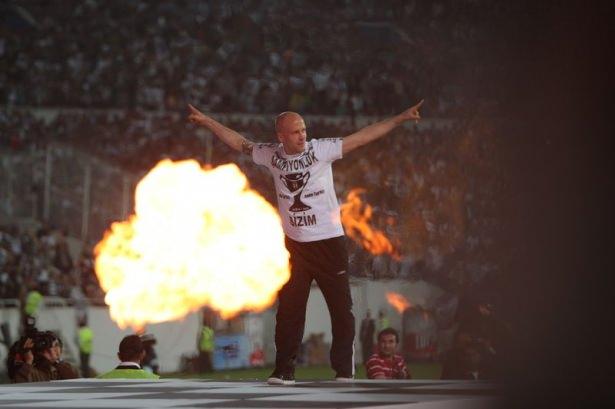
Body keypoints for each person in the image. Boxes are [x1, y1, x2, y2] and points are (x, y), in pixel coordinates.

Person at [188, 99, 423, 385]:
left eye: (304, 130)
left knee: (341, 309)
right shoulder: (271, 154)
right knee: (289, 310)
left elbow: (361, 137)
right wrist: (207, 121)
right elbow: (240, 143)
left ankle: (344, 370)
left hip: (328, 243)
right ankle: (284, 370)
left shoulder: (321, 150)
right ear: (281, 136)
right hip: (295, 247)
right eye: (296, 132)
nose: (303, 136)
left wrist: (399, 118)